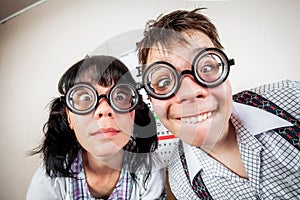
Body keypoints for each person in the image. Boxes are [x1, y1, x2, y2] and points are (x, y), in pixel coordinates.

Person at [137, 8, 300, 199]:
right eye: (164, 82)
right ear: (151, 99)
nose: (190, 93)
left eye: (205, 67)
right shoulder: (183, 183)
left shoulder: (292, 99)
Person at [26, 55, 166, 200]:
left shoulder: (150, 170)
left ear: (132, 113)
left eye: (119, 97)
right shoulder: (50, 179)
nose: (104, 110)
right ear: (69, 117)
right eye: (85, 98)